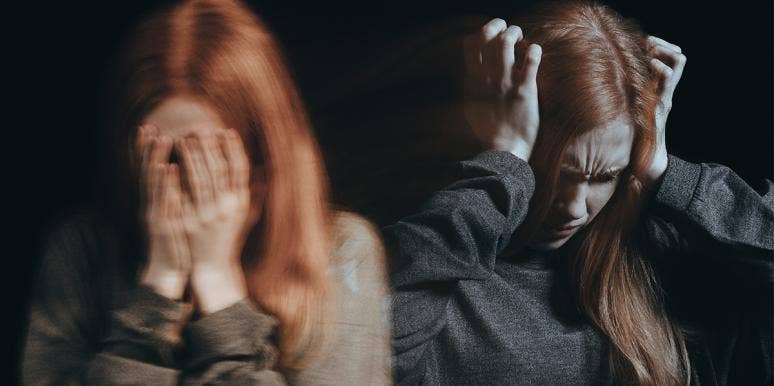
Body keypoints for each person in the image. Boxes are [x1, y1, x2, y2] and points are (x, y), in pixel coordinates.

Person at [385, 1, 773, 385]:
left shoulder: (654, 253)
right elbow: (371, 351)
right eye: (553, 172)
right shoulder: (436, 268)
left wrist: (665, 172)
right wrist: (503, 164)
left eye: (605, 176)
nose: (574, 207)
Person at [22, 0, 391, 384]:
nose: (181, 186)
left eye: (207, 158)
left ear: (263, 158)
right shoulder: (81, 249)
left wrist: (219, 287)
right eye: (160, 157)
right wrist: (156, 293)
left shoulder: (344, 251)